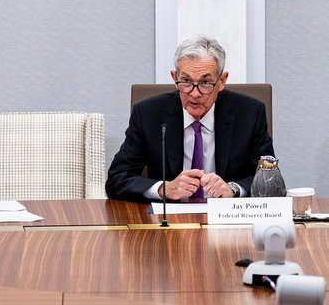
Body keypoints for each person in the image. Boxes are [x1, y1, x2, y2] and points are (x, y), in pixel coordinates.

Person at [106, 35, 274, 202]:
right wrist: (165, 188)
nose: (194, 94)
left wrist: (233, 189)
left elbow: (269, 179)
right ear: (174, 77)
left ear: (222, 81)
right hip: (169, 221)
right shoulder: (148, 114)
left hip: (228, 221)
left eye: (205, 83)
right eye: (186, 82)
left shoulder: (250, 114)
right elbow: (117, 179)